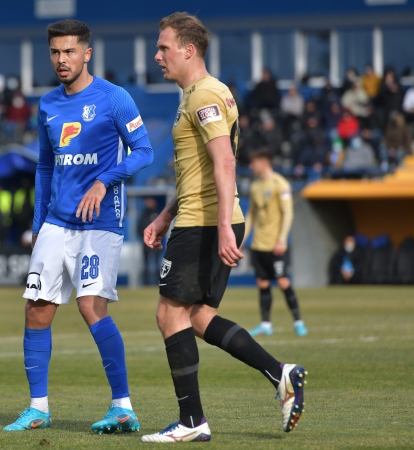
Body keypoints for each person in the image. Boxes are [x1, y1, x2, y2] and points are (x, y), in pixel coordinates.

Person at [141, 13, 307, 443]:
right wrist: (166, 215)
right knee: (197, 317)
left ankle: (191, 422)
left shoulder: (205, 94)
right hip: (202, 216)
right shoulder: (197, 94)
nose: (157, 55)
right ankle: (280, 373)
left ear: (188, 50)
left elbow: (225, 162)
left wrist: (221, 227)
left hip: (204, 221)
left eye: (163, 47)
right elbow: (198, 172)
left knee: (169, 315)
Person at [4, 19, 154, 433]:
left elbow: (144, 151)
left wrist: (104, 182)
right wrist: (38, 223)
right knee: (36, 309)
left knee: (90, 306)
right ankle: (38, 409)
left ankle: (122, 406)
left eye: (69, 51)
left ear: (87, 53)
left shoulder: (115, 98)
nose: (61, 59)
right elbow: (45, 167)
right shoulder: (47, 104)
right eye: (55, 52)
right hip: (56, 220)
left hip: (100, 220)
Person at [243, 149, 308, 337]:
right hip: (258, 245)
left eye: (254, 162)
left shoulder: (280, 184)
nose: (251, 166)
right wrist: (242, 240)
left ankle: (298, 322)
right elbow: (251, 215)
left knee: (283, 282)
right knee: (262, 283)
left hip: (275, 245)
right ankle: (266, 324)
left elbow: (288, 213)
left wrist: (282, 239)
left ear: (264, 163)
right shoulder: (255, 186)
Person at [137, 197, 160, 285]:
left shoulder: (157, 215)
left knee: (157, 263)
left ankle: (158, 282)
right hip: (145, 244)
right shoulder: (143, 215)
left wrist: (155, 238)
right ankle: (145, 283)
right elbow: (139, 229)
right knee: (145, 264)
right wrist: (145, 238)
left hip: (155, 243)